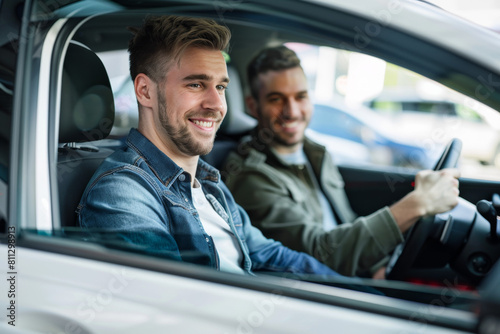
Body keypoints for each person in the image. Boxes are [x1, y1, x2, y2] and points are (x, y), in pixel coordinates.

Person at [78, 16, 342, 277]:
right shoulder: (123, 192)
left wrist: (356, 291)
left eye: (220, 86)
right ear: (145, 91)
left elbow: (271, 255)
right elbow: (171, 304)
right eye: (196, 84)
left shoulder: (209, 183)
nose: (217, 104)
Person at [223, 45, 460, 277]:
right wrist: (417, 204)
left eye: (301, 96)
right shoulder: (251, 178)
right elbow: (319, 254)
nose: (292, 111)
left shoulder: (315, 153)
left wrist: (378, 266)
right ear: (253, 106)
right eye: (276, 99)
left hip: (357, 273)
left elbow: (345, 222)